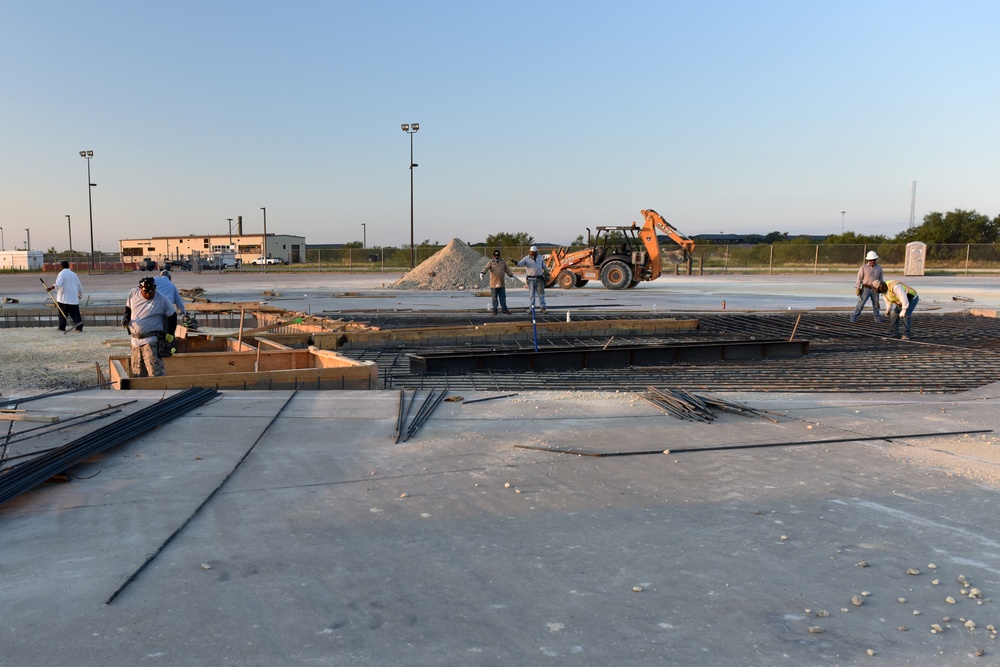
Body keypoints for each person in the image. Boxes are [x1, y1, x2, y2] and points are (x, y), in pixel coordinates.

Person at [122, 276, 177, 377]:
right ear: (140, 289)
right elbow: (128, 309)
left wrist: (170, 332)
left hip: (151, 341)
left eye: (151, 292)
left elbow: (172, 316)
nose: (148, 295)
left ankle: (159, 391)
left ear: (155, 289)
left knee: (155, 373)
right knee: (137, 373)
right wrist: (126, 317)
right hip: (135, 341)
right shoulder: (133, 294)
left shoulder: (162, 299)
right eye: (145, 292)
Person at [45, 260, 84, 332]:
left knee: (62, 315)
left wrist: (50, 288)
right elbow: (79, 286)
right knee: (75, 315)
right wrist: (80, 294)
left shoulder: (62, 274)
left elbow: (58, 284)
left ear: (61, 266)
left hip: (64, 299)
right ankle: (79, 328)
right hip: (73, 299)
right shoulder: (74, 274)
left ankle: (62, 328)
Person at [851, 251, 884, 323]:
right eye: (870, 260)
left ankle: (877, 318)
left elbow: (881, 279)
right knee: (861, 304)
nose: (872, 261)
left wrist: (882, 289)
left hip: (875, 289)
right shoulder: (863, 267)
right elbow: (859, 278)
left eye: (873, 260)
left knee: (876, 305)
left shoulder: (879, 268)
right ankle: (854, 317)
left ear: (876, 259)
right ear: (868, 260)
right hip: (866, 288)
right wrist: (857, 288)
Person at [480, 250, 514, 315]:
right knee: (494, 298)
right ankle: (495, 310)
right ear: (493, 256)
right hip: (494, 284)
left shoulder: (502, 262)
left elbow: (507, 269)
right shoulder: (490, 262)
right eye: (495, 256)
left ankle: (504, 309)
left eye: (498, 256)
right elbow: (486, 268)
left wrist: (511, 275)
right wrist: (482, 273)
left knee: (503, 298)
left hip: (501, 284)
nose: (497, 257)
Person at [515, 245, 548, 313]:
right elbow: (520, 264)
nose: (531, 253)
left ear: (536, 252)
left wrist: (547, 275)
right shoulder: (526, 258)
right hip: (531, 279)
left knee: (541, 294)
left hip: (539, 279)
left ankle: (543, 308)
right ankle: (532, 308)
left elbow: (544, 267)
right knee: (532, 295)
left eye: (532, 252)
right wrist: (516, 262)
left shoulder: (540, 258)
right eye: (530, 252)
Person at [155, 269, 187, 334]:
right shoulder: (172, 286)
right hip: (166, 311)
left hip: (153, 309)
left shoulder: (154, 280)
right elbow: (179, 302)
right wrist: (184, 313)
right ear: (170, 277)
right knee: (169, 329)